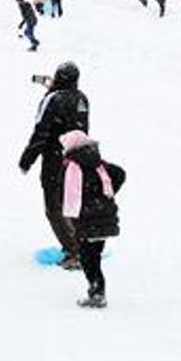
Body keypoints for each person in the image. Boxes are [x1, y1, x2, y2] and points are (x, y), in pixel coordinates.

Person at [18, 61, 90, 268]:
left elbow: (41, 132)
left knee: (54, 208)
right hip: (77, 159)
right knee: (71, 204)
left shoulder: (53, 99)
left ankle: (74, 251)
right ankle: (82, 246)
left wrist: (27, 160)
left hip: (55, 160)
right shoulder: (82, 99)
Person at [58, 131, 125, 308]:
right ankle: (97, 289)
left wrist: (72, 207)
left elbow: (63, 192)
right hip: (104, 217)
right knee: (94, 255)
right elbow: (120, 173)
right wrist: (106, 194)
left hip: (87, 219)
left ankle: (97, 291)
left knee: (88, 258)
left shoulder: (72, 166)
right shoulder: (98, 163)